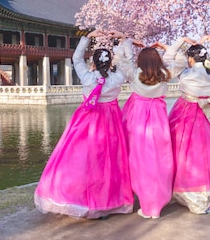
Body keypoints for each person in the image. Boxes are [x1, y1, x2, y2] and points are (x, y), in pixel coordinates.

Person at [34, 30, 134, 219]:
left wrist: (87, 37)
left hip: (87, 121)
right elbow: (128, 63)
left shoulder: (87, 77)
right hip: (111, 122)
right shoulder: (117, 77)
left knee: (82, 159)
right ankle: (108, 200)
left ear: (94, 62)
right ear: (111, 62)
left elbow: (77, 57)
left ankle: (80, 199)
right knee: (110, 160)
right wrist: (123, 40)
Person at [162, 34, 210, 215]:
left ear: (190, 58)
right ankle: (208, 195)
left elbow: (167, 60)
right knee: (209, 152)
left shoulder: (185, 73)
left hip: (185, 114)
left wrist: (181, 41)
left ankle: (185, 190)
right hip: (209, 114)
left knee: (184, 153)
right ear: (205, 57)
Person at [111, 31, 174, 219]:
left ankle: (147, 205)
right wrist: (164, 47)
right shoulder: (165, 74)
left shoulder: (135, 74)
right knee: (160, 159)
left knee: (140, 161)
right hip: (159, 120)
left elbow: (122, 59)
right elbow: (177, 59)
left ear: (142, 61)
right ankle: (158, 201)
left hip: (138, 119)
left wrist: (126, 41)